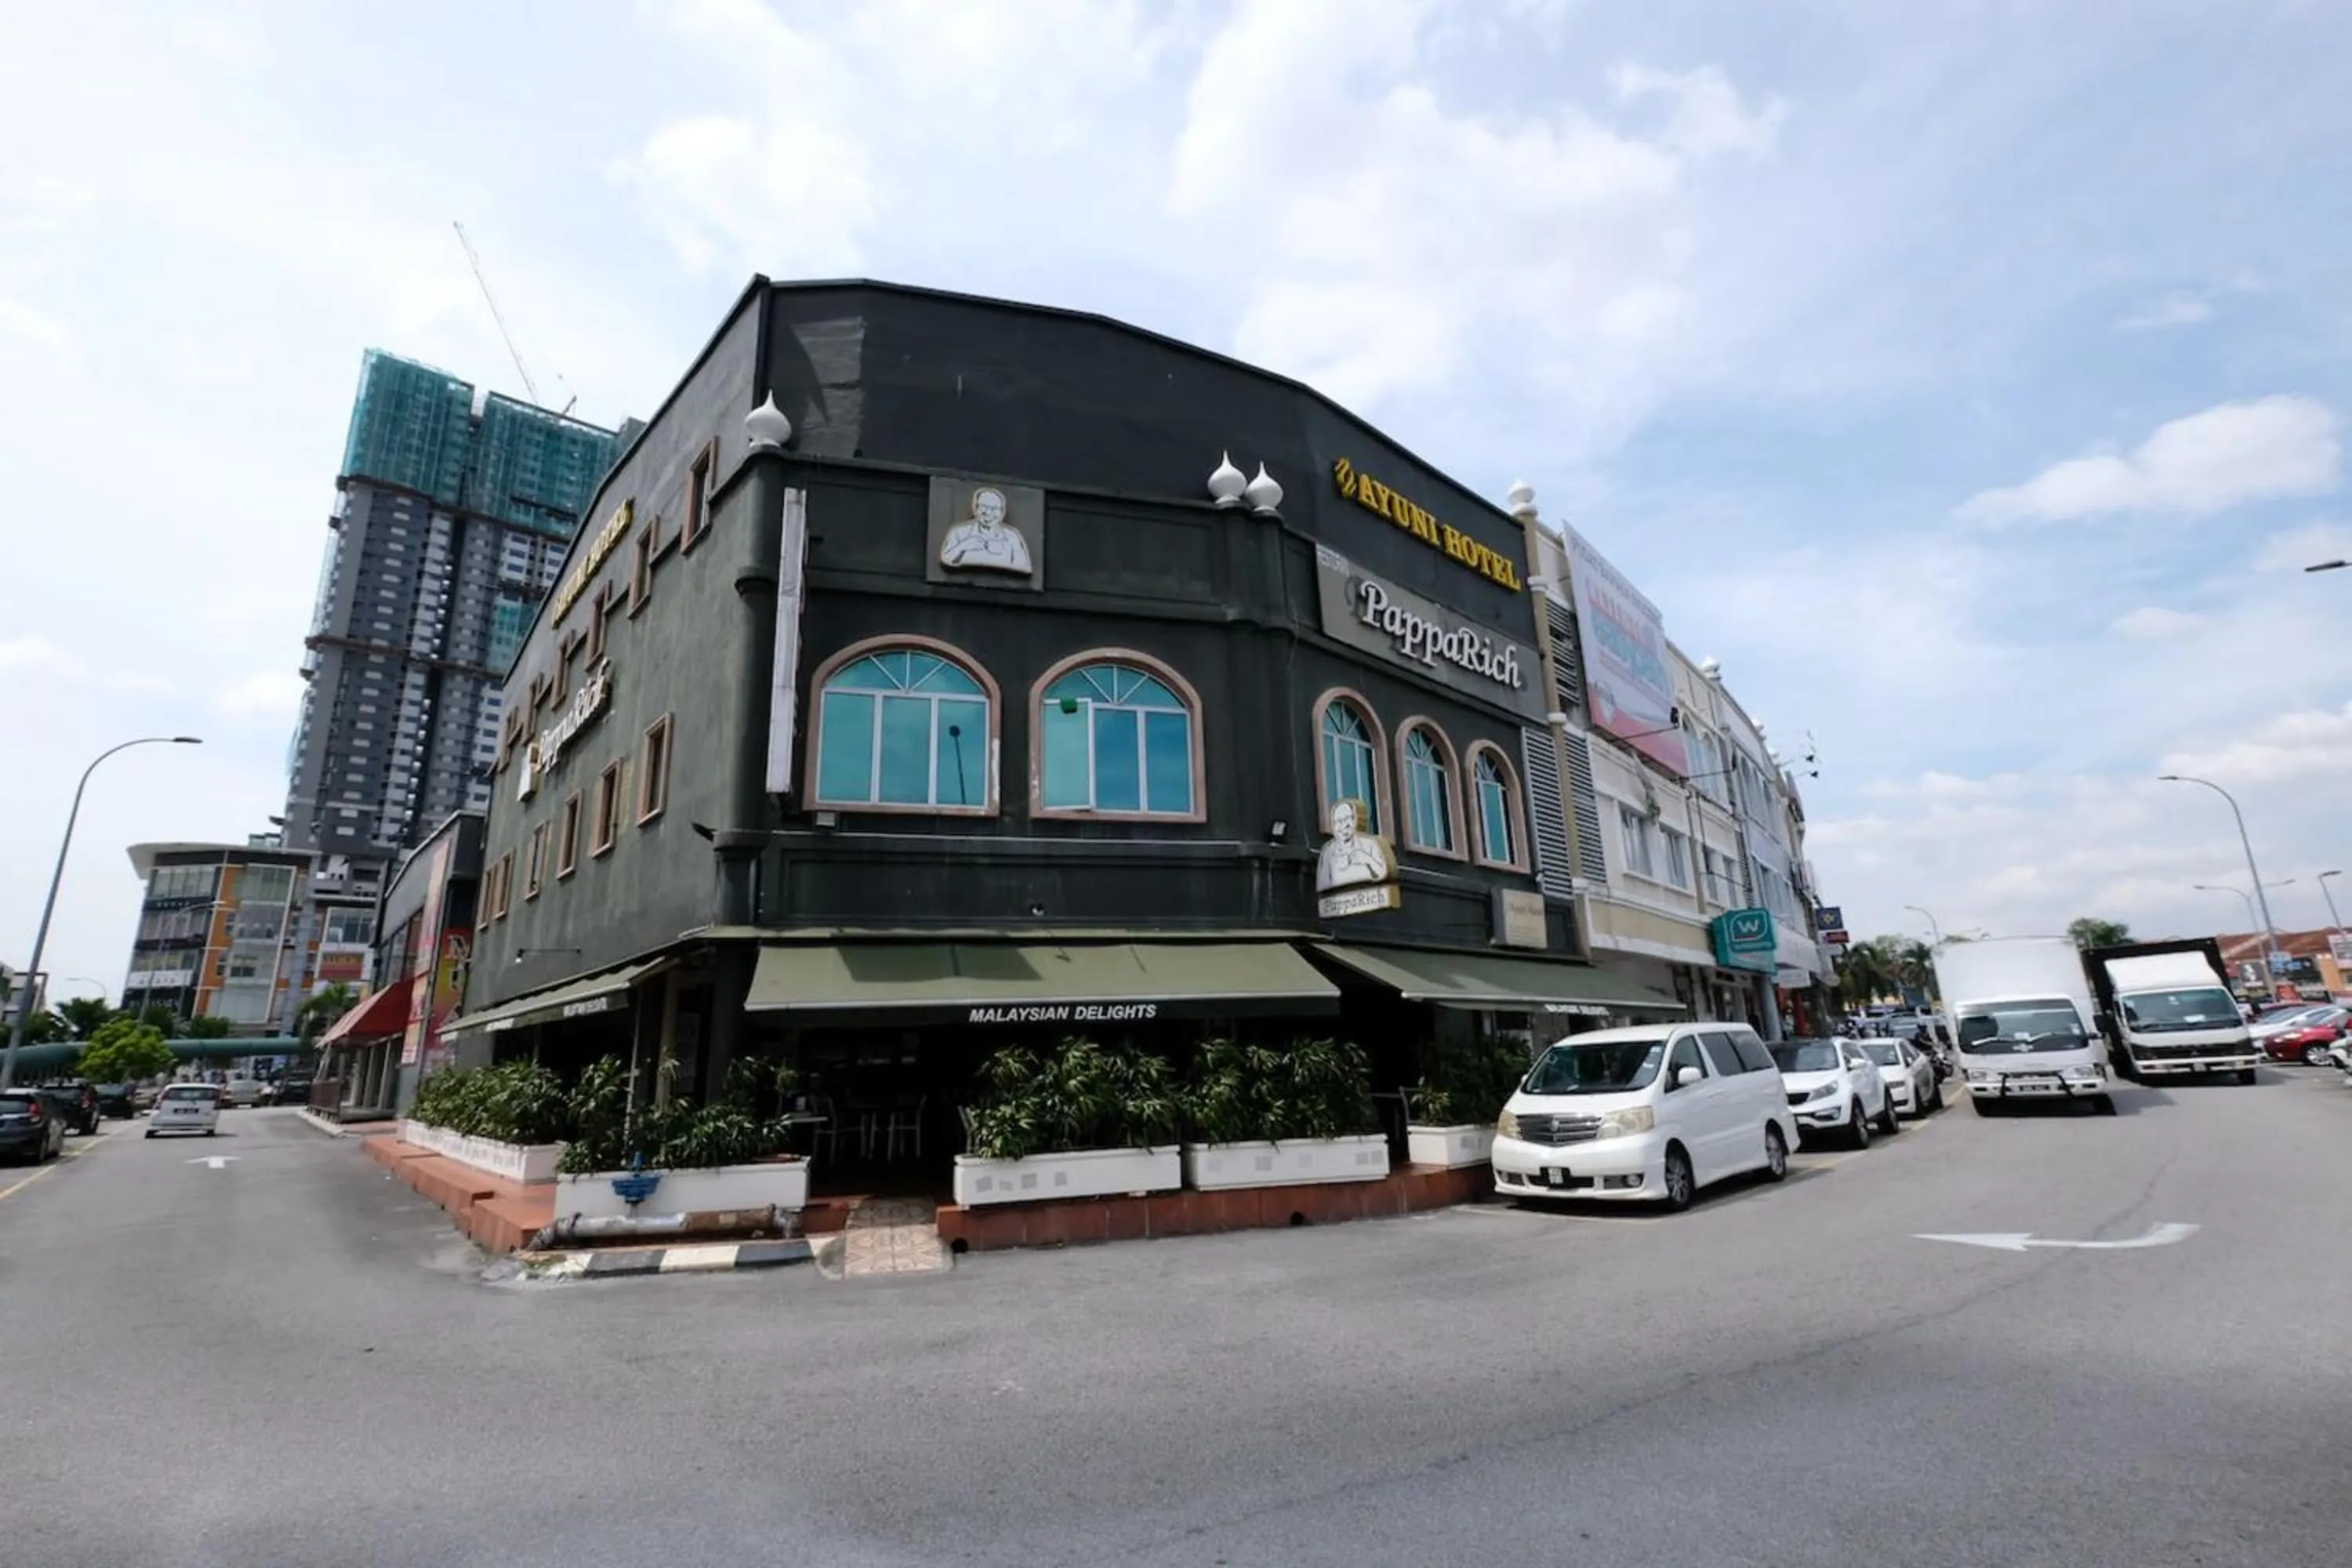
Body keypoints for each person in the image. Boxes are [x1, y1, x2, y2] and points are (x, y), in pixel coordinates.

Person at [939, 487, 1033, 575]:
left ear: (1002, 512)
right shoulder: (959, 533)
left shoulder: (1012, 537)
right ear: (976, 509)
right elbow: (946, 559)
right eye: (984, 507)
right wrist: (964, 545)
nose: (988, 513)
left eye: (994, 509)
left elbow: (1023, 568)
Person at [1316, 800, 1390, 890]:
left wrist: (1367, 859)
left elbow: (1383, 873)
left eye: (1347, 819)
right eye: (1339, 821)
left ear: (1354, 820)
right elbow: (1323, 886)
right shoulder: (1329, 852)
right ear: (1333, 826)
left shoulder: (1370, 845)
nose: (1344, 825)